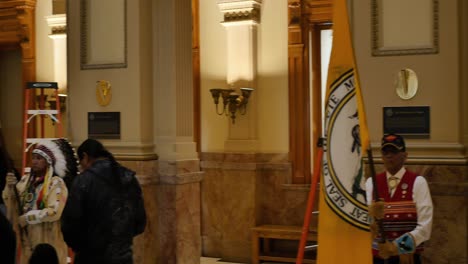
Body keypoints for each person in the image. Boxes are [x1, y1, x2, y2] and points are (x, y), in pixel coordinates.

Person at [61, 138, 146, 264]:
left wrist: (80, 247)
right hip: (123, 257)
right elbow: (140, 222)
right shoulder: (129, 178)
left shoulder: (83, 181)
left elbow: (70, 224)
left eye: (80, 162)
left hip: (90, 257)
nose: (81, 167)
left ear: (85, 157)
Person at [2, 138, 79, 264]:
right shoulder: (25, 182)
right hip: (27, 242)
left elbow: (54, 211)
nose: (35, 162)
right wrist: (9, 188)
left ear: (48, 162)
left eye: (39, 158)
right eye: (33, 158)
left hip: (49, 241)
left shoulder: (56, 184)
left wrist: (28, 218)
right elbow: (12, 205)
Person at [366, 134, 433, 264]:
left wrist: (396, 248)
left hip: (406, 258)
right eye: (385, 152)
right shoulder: (371, 183)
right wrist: (371, 215)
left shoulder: (418, 182)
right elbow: (365, 225)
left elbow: (425, 228)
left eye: (394, 151)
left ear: (405, 155)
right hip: (377, 258)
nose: (389, 156)